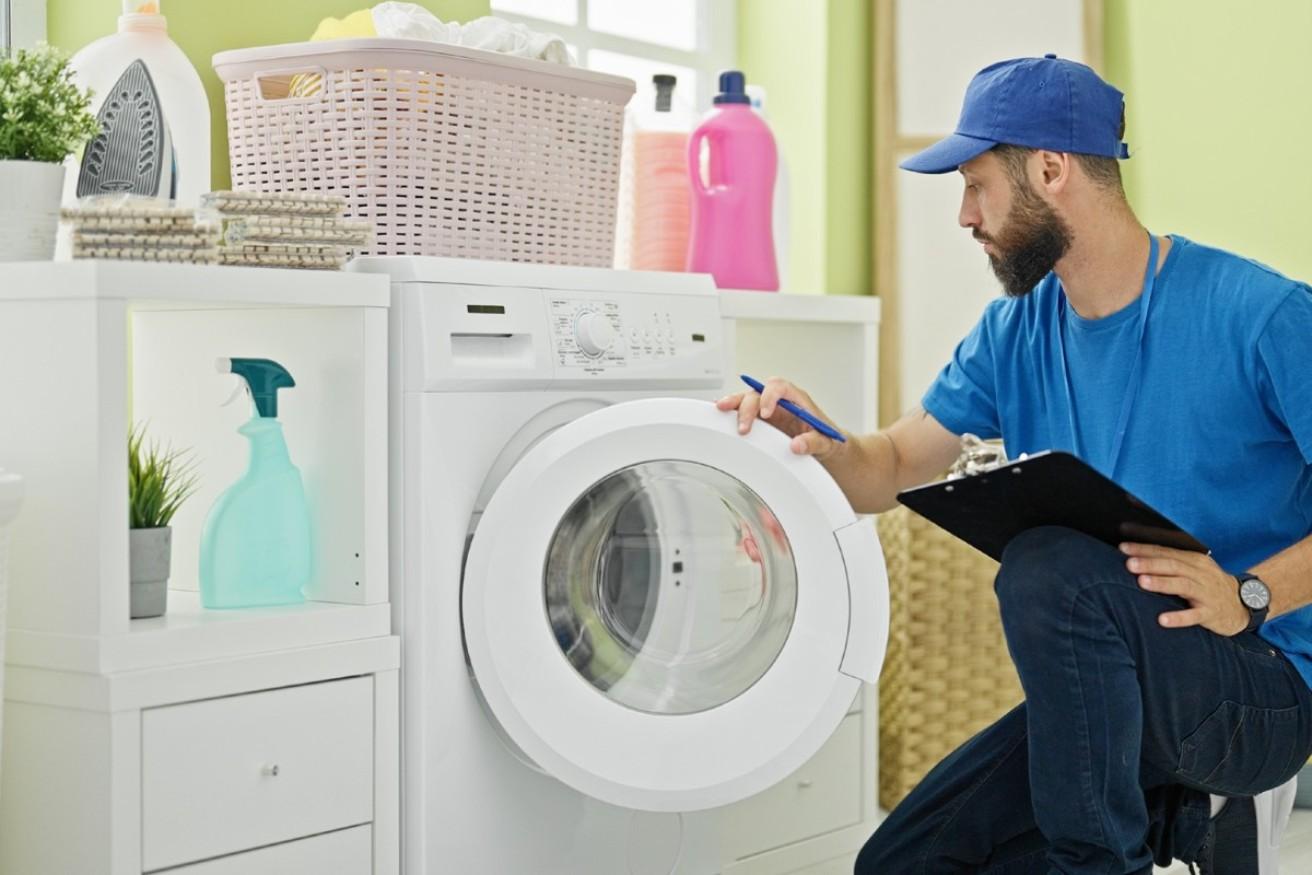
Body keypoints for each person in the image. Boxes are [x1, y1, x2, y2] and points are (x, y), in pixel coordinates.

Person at [719, 54, 1312, 874]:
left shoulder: (1261, 314)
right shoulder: (1014, 331)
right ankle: (1168, 817)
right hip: (1112, 697)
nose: (964, 215)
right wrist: (813, 440)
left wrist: (1248, 593)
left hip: (1259, 685)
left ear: (1050, 169)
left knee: (1049, 563)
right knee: (902, 862)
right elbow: (890, 464)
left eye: (975, 184)